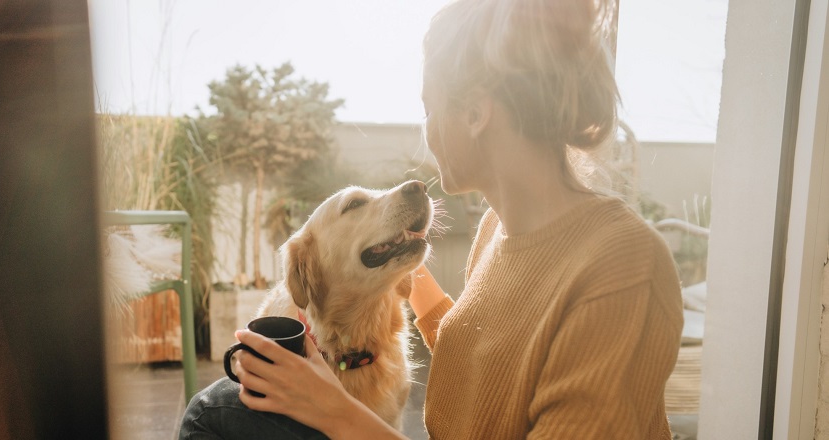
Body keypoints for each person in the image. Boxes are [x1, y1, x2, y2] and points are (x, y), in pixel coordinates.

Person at [180, 0, 684, 437]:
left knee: (206, 418)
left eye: (428, 106)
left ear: (474, 114)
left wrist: (334, 411)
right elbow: (492, 365)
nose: (426, 128)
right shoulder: (497, 230)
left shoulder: (622, 266)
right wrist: (396, 271)